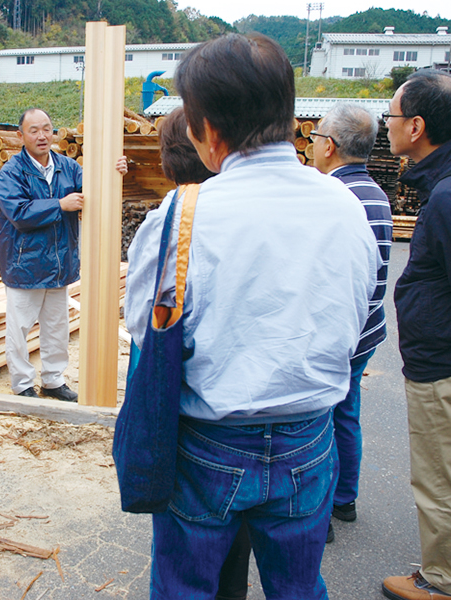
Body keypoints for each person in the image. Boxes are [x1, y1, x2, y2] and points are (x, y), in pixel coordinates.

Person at [125, 34, 379, 599]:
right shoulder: (345, 204)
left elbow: (144, 327)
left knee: (186, 587)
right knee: (299, 588)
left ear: (209, 129)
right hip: (310, 437)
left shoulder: (183, 214)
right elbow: (359, 309)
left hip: (208, 443)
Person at [381, 70, 451, 600]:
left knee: (446, 475)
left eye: (392, 116)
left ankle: (449, 583)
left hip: (449, 364)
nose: (387, 126)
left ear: (416, 126)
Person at [157, 107, 250, 600]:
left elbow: (146, 328)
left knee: (189, 561)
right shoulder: (282, 206)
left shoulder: (174, 219)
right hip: (292, 419)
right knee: (248, 554)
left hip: (206, 417)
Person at [0, 108, 127, 402]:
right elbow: (19, 213)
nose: (42, 136)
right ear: (20, 136)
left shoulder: (68, 167)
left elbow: (96, 189)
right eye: (34, 130)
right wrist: (59, 205)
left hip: (59, 263)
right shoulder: (11, 173)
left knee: (57, 328)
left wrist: (114, 171)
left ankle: (53, 381)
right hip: (24, 263)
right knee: (20, 329)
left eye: (47, 129)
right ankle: (22, 384)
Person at [311, 103, 393, 543]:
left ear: (330, 145)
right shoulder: (376, 192)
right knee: (347, 415)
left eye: (314, 137)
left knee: (321, 420)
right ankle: (344, 499)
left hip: (342, 335)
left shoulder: (335, 198)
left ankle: (320, 512)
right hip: (367, 331)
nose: (311, 145)